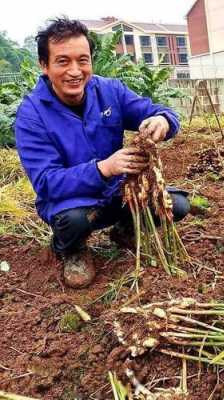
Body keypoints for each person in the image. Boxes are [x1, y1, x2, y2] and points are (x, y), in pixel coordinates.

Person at [15, 18, 189, 289]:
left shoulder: (109, 91)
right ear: (44, 65)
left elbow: (157, 111)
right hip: (73, 204)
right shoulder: (32, 115)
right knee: (72, 222)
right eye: (63, 61)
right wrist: (103, 169)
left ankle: (125, 231)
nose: (75, 71)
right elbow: (47, 183)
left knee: (175, 205)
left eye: (82, 60)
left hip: (117, 194)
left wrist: (163, 121)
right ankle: (71, 249)